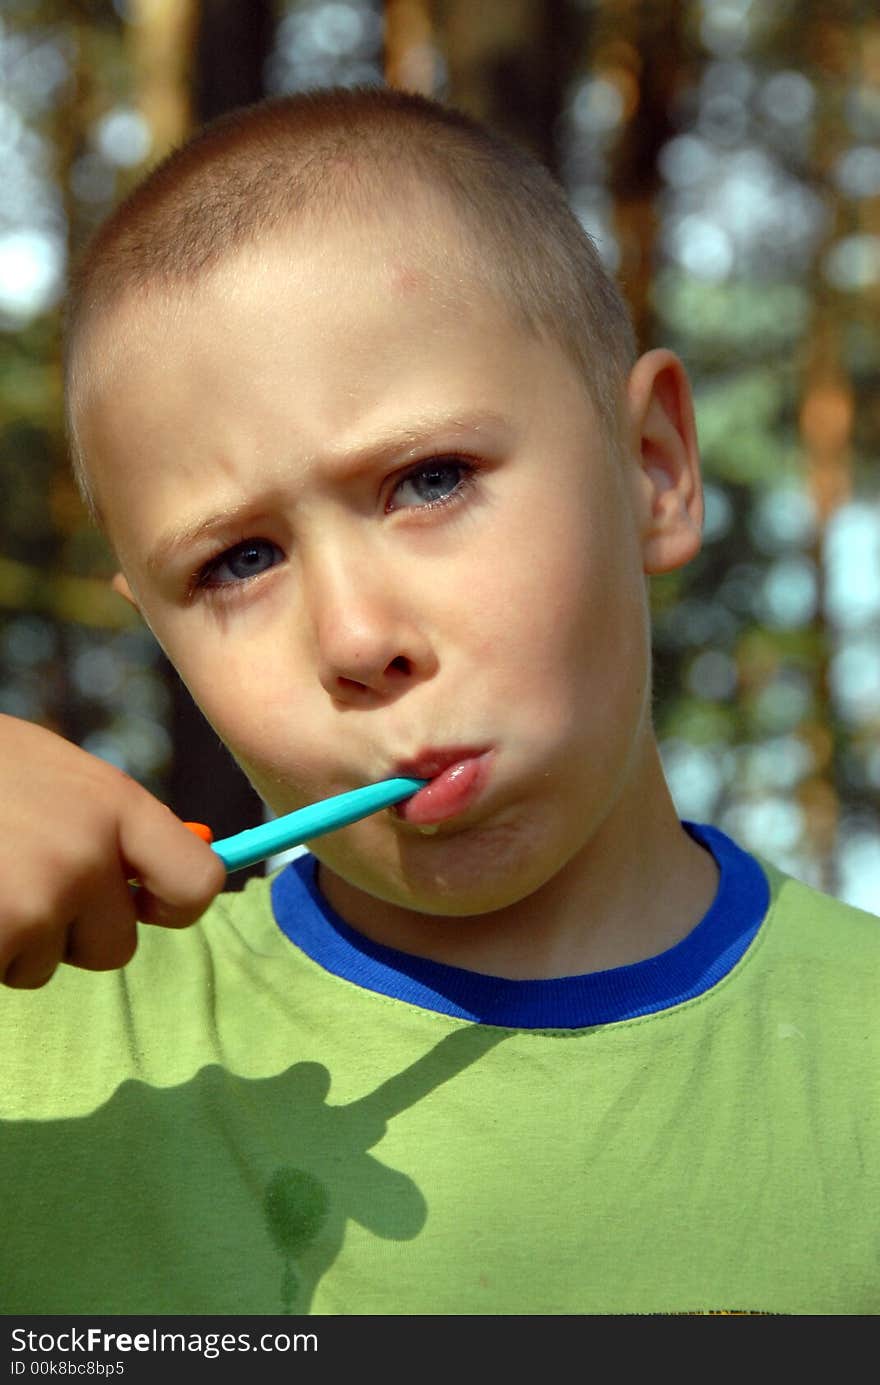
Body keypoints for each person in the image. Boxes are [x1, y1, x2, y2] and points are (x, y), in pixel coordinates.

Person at [1, 84, 878, 1318]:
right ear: (158, 628)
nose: (358, 639)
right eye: (238, 562)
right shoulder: (41, 1061)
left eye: (429, 479)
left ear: (654, 471)